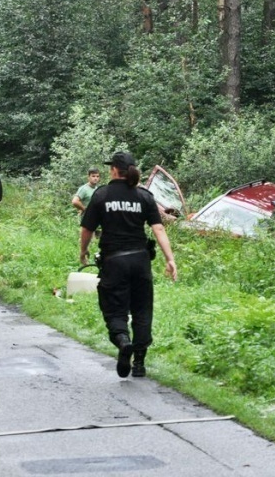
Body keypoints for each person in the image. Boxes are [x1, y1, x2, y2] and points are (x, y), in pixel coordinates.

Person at [79, 151, 177, 379]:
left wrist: (83, 252)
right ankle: (139, 363)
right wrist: (170, 259)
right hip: (140, 261)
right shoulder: (144, 196)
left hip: (114, 262)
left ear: (114, 170)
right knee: (142, 309)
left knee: (114, 308)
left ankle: (123, 341)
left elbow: (87, 229)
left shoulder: (102, 195)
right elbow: (158, 228)